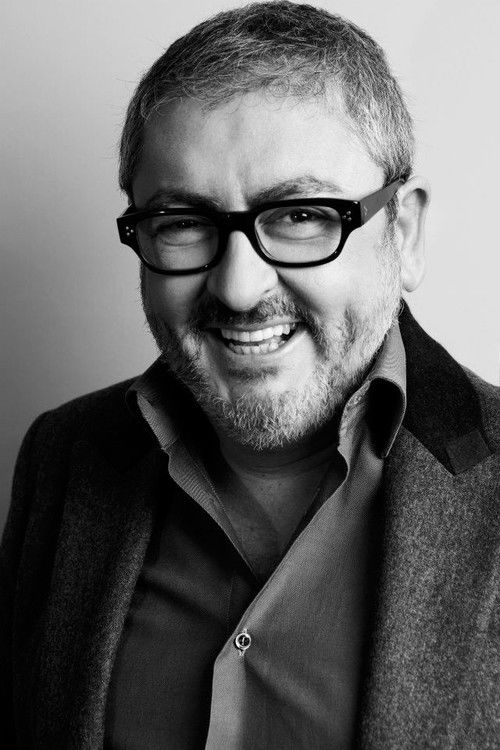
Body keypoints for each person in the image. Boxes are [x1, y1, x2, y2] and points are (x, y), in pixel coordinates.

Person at [1, 2, 498, 748]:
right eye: (183, 221)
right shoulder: (62, 459)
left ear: (404, 232)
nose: (237, 289)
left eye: (300, 216)